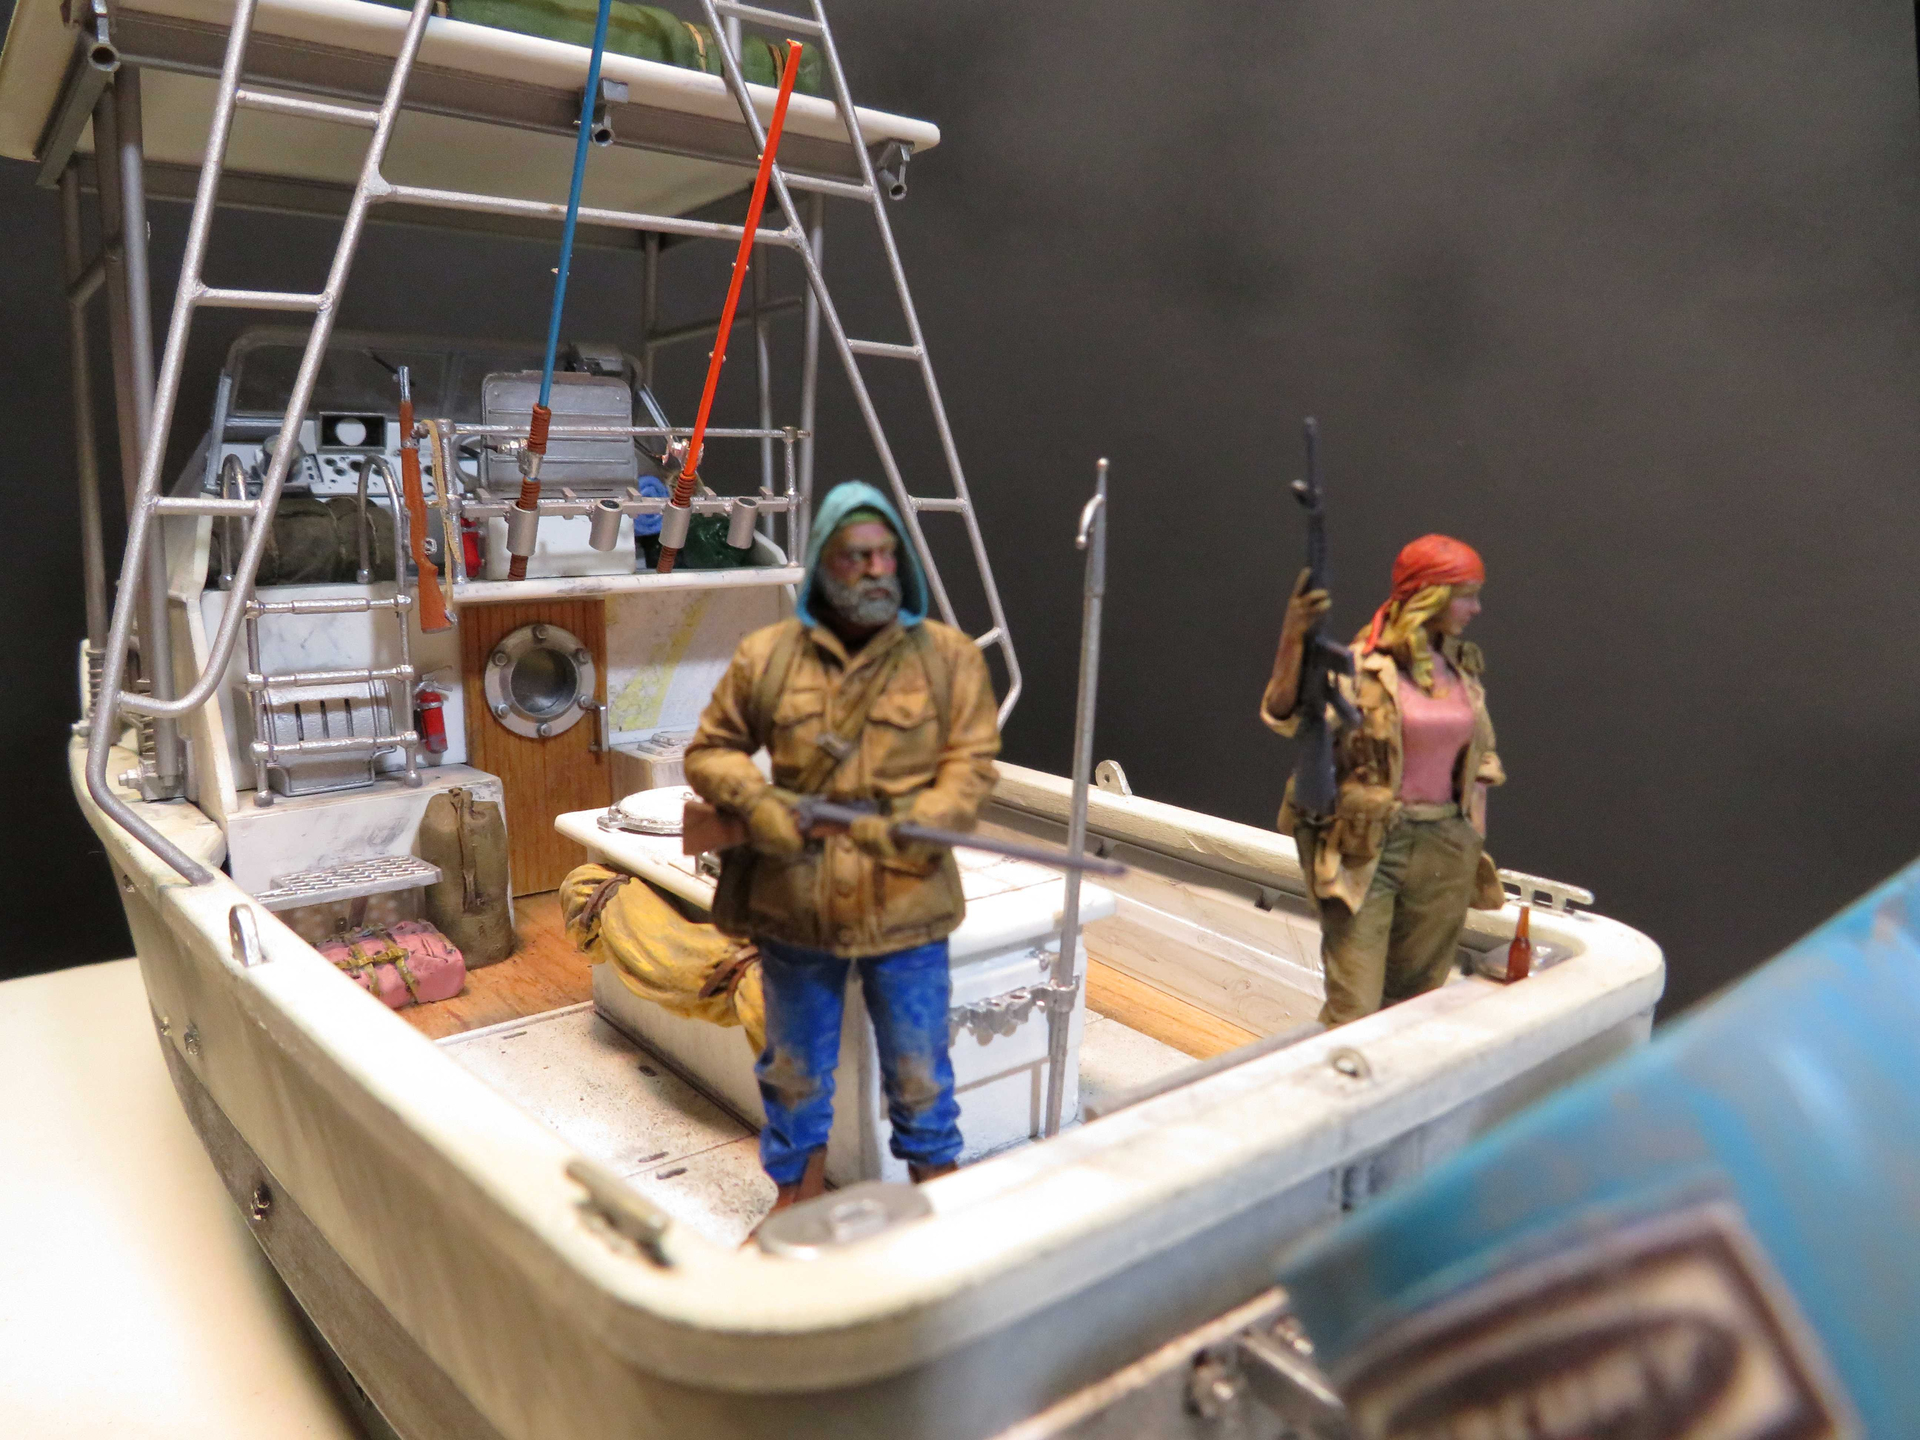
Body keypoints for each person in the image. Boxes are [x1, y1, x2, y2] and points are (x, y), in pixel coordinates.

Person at [684, 481, 1000, 1217]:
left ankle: (938, 1198)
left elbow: (973, 765)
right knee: (793, 1070)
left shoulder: (948, 658)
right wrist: (759, 803)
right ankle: (795, 1200)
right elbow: (711, 751)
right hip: (797, 900)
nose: (877, 570)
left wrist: (920, 820)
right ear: (825, 563)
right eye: (857, 557)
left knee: (921, 1070)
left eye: (887, 555)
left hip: (907, 897)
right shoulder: (768, 656)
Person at [1261, 534, 1506, 1027]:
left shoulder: (1461, 670)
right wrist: (1294, 638)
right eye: (1466, 596)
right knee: (1353, 1004)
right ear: (1430, 596)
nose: (1476, 609)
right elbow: (1288, 717)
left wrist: (1472, 825)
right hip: (1369, 845)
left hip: (1446, 847)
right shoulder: (1362, 666)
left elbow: (1481, 756)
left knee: (1418, 1001)